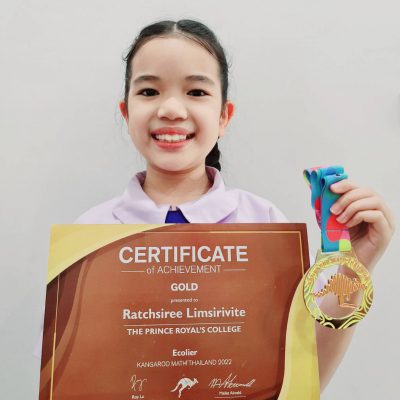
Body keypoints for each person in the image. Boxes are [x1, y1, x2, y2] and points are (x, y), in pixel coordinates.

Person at [74, 19, 395, 391]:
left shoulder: (265, 225)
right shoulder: (87, 239)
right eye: (149, 91)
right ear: (126, 112)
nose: (172, 109)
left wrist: (354, 267)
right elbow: (70, 379)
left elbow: (302, 381)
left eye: (196, 91)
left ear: (224, 117)